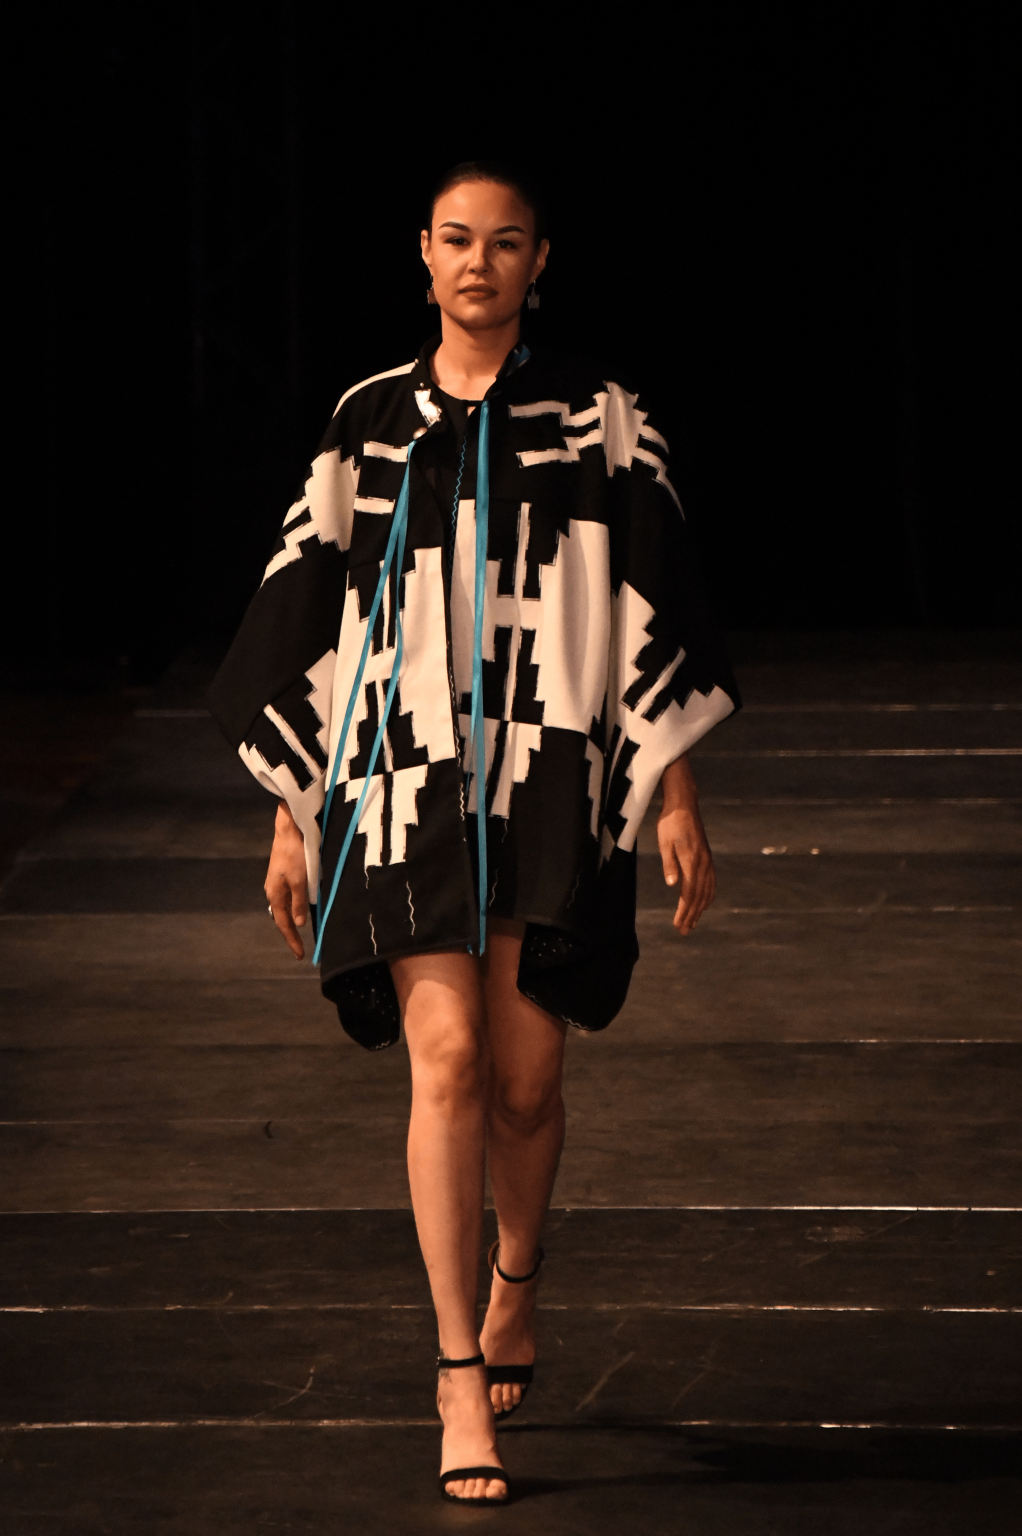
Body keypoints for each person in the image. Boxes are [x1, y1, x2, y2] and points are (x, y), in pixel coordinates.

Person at [208, 161, 740, 1506]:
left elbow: (652, 593)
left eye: (506, 243)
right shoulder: (369, 421)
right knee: (443, 1061)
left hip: (546, 770)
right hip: (400, 775)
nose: (479, 262)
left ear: (538, 261)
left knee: (525, 1082)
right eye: (457, 239)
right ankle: (457, 1375)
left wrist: (675, 792)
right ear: (424, 252)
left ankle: (517, 1279)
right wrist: (293, 814)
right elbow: (311, 616)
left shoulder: (597, 419)